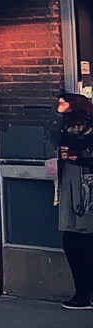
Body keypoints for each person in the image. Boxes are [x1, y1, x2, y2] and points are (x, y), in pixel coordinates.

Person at [55, 92, 93, 309]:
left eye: (64, 102)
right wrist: (56, 112)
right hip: (70, 185)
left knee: (87, 240)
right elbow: (48, 135)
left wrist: (81, 158)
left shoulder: (90, 127)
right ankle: (81, 292)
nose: (60, 105)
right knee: (71, 240)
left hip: (87, 186)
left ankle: (87, 293)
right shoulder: (63, 127)